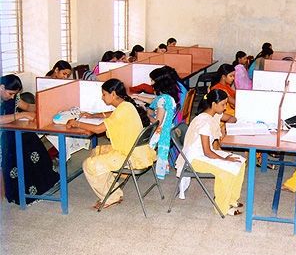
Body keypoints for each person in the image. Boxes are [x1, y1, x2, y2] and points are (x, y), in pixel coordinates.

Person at [66, 79, 156, 209]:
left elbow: (98, 130)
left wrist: (76, 123)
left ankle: (111, 197)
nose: (102, 98)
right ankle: (113, 190)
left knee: (89, 164)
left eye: (104, 94)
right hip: (136, 151)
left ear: (113, 94)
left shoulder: (123, 109)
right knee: (97, 152)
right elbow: (113, 114)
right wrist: (93, 116)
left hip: (130, 157)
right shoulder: (127, 106)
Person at [175, 89, 246, 216]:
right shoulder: (204, 122)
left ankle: (231, 199)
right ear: (213, 104)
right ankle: (222, 207)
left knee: (241, 161)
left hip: (204, 153)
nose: (225, 108)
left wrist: (224, 130)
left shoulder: (213, 115)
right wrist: (224, 159)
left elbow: (231, 119)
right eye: (223, 104)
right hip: (195, 158)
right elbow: (207, 152)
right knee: (225, 171)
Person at [1, 74, 59, 205]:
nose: (11, 97)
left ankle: (42, 183)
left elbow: (27, 107)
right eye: (10, 94)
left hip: (11, 130)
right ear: (1, 87)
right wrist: (21, 115)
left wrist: (42, 106)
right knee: (20, 148)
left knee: (31, 139)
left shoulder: (13, 96)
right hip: (2, 135)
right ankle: (22, 192)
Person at [133, 67, 179, 179]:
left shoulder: (162, 100)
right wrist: (138, 97)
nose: (151, 83)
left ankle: (136, 161)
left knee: (135, 131)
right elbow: (155, 101)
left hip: (159, 132)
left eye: (152, 80)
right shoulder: (169, 97)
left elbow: (157, 123)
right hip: (169, 129)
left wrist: (147, 115)